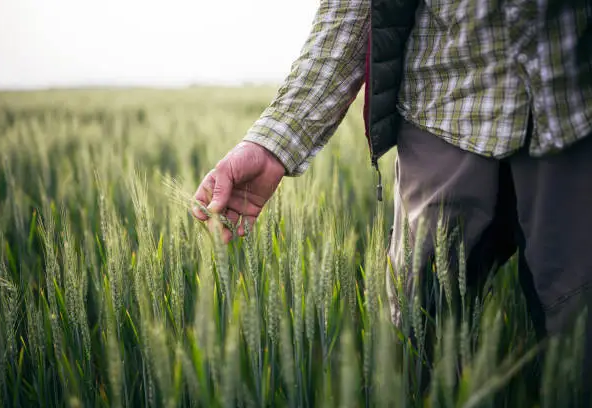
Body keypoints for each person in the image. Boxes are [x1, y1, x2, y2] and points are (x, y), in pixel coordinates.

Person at [192, 0, 592, 394]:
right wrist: (273, 143)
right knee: (418, 348)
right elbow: (353, 7)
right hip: (446, 110)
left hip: (575, 109)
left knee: (579, 338)